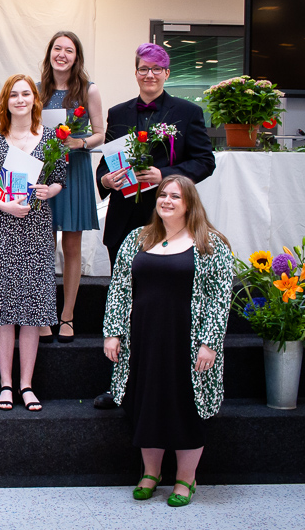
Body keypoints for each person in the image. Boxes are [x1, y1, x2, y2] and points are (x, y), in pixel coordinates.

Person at [94, 42, 215, 409]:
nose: (149, 74)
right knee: (124, 303)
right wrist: (105, 180)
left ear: (166, 73)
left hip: (171, 221)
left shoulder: (188, 112)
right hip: (124, 220)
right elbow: (105, 166)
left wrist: (167, 175)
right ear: (136, 73)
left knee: (165, 306)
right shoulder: (117, 113)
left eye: (156, 69)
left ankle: (168, 385)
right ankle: (120, 386)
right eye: (143, 68)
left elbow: (205, 161)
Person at [102, 175, 233, 507]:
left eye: (175, 196)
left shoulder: (210, 243)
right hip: (143, 340)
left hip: (187, 343)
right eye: (163, 195)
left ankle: (186, 478)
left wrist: (209, 343)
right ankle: (151, 473)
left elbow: (220, 299)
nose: (167, 201)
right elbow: (119, 289)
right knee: (146, 404)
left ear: (189, 203)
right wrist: (113, 332)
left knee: (185, 407)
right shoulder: (137, 238)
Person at [0, 74, 66, 412]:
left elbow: (59, 179)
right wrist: (3, 205)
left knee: (33, 308)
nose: (20, 99)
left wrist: (49, 190)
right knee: (3, 308)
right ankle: (6, 384)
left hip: (37, 228)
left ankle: (26, 385)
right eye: (14, 95)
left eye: (26, 94)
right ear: (6, 101)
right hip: (3, 225)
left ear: (35, 99)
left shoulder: (52, 137)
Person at [38, 31, 105, 343]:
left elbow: (100, 133)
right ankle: (43, 314)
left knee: (72, 245)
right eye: (57, 48)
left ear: (77, 57)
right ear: (49, 53)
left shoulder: (89, 90)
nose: (62, 54)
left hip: (75, 169)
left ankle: (67, 315)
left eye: (69, 50)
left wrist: (80, 142)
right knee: (43, 245)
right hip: (43, 171)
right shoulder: (37, 89)